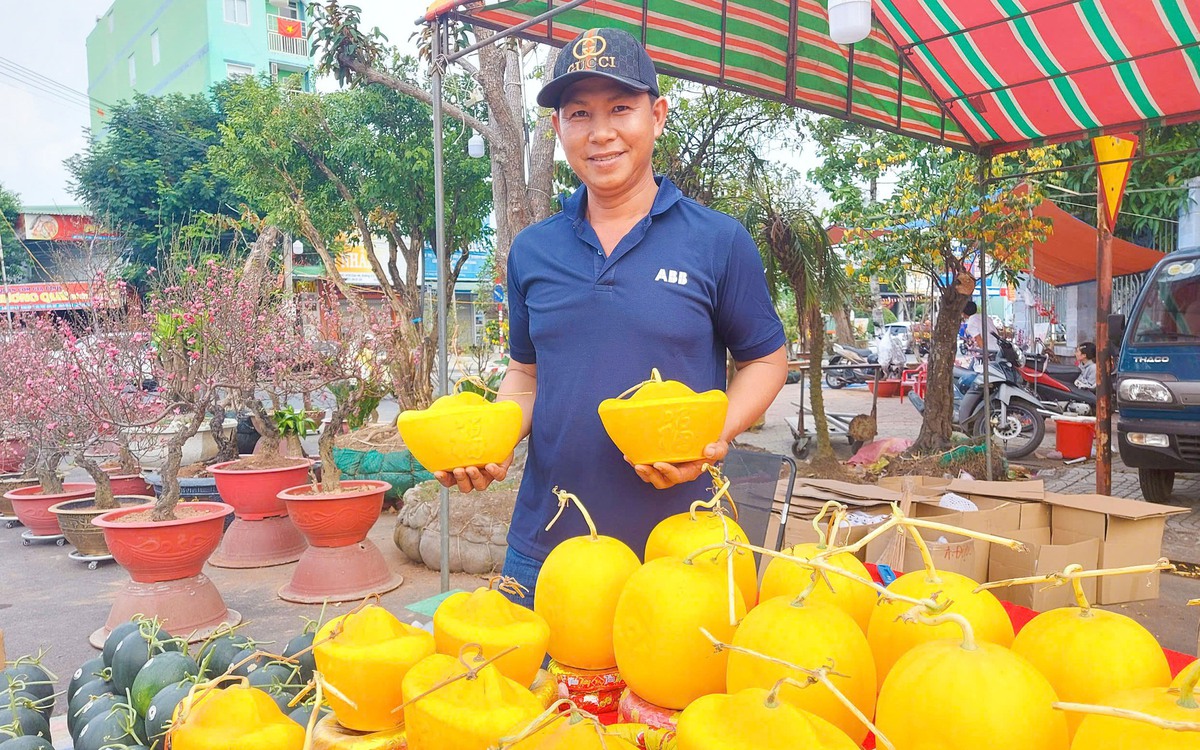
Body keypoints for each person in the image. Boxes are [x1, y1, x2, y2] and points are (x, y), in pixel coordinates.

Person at [432, 27, 788, 607]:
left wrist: (711, 435)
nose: (600, 133)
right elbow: (526, 375)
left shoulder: (718, 241)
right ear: (557, 128)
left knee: (676, 698)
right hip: (548, 543)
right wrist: (488, 441)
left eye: (620, 108)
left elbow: (767, 358)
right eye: (579, 113)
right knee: (532, 696)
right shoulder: (532, 250)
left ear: (658, 115)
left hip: (683, 544)